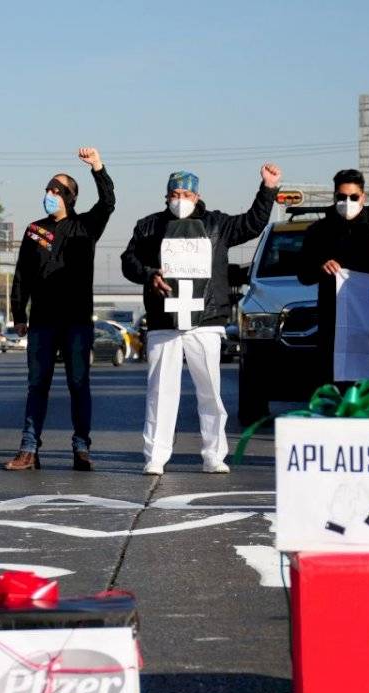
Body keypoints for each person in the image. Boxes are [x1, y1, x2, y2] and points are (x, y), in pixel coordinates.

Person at [122, 164, 280, 475]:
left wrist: (268, 189)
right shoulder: (148, 227)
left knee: (210, 391)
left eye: (186, 193)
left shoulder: (217, 224)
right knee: (160, 392)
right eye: (174, 194)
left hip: (206, 320)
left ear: (198, 196)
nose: (180, 199)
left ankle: (214, 455)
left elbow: (252, 223)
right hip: (163, 320)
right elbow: (129, 261)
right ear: (166, 196)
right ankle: (155, 456)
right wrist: (149, 274)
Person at [5, 148, 115, 471]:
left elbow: (108, 203)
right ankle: (28, 449)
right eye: (48, 190)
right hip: (41, 322)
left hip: (77, 322)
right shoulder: (34, 230)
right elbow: (22, 275)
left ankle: (81, 448)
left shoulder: (86, 227)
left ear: (69, 197)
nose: (50, 195)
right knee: (37, 385)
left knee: (79, 385)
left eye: (57, 191)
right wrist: (18, 315)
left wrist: (98, 168)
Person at [298, 135, 369, 385]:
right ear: (334, 197)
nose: (347, 202)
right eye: (342, 197)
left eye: (353, 197)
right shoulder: (318, 231)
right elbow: (303, 274)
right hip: (334, 315)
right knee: (333, 371)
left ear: (362, 197)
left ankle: (368, 412)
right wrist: (321, 266)